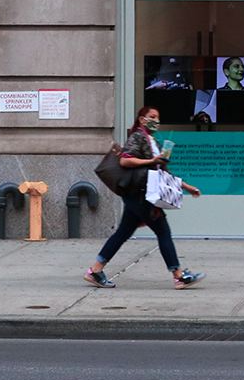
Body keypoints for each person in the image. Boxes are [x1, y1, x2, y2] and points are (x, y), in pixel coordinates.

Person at [85, 106, 205, 289]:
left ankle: (95, 271)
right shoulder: (138, 136)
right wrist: (151, 161)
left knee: (122, 233)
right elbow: (125, 159)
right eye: (152, 116)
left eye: (158, 117)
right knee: (163, 232)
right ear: (142, 119)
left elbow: (162, 171)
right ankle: (179, 276)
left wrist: (187, 187)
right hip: (141, 196)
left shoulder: (152, 140)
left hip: (137, 196)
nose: (156, 120)